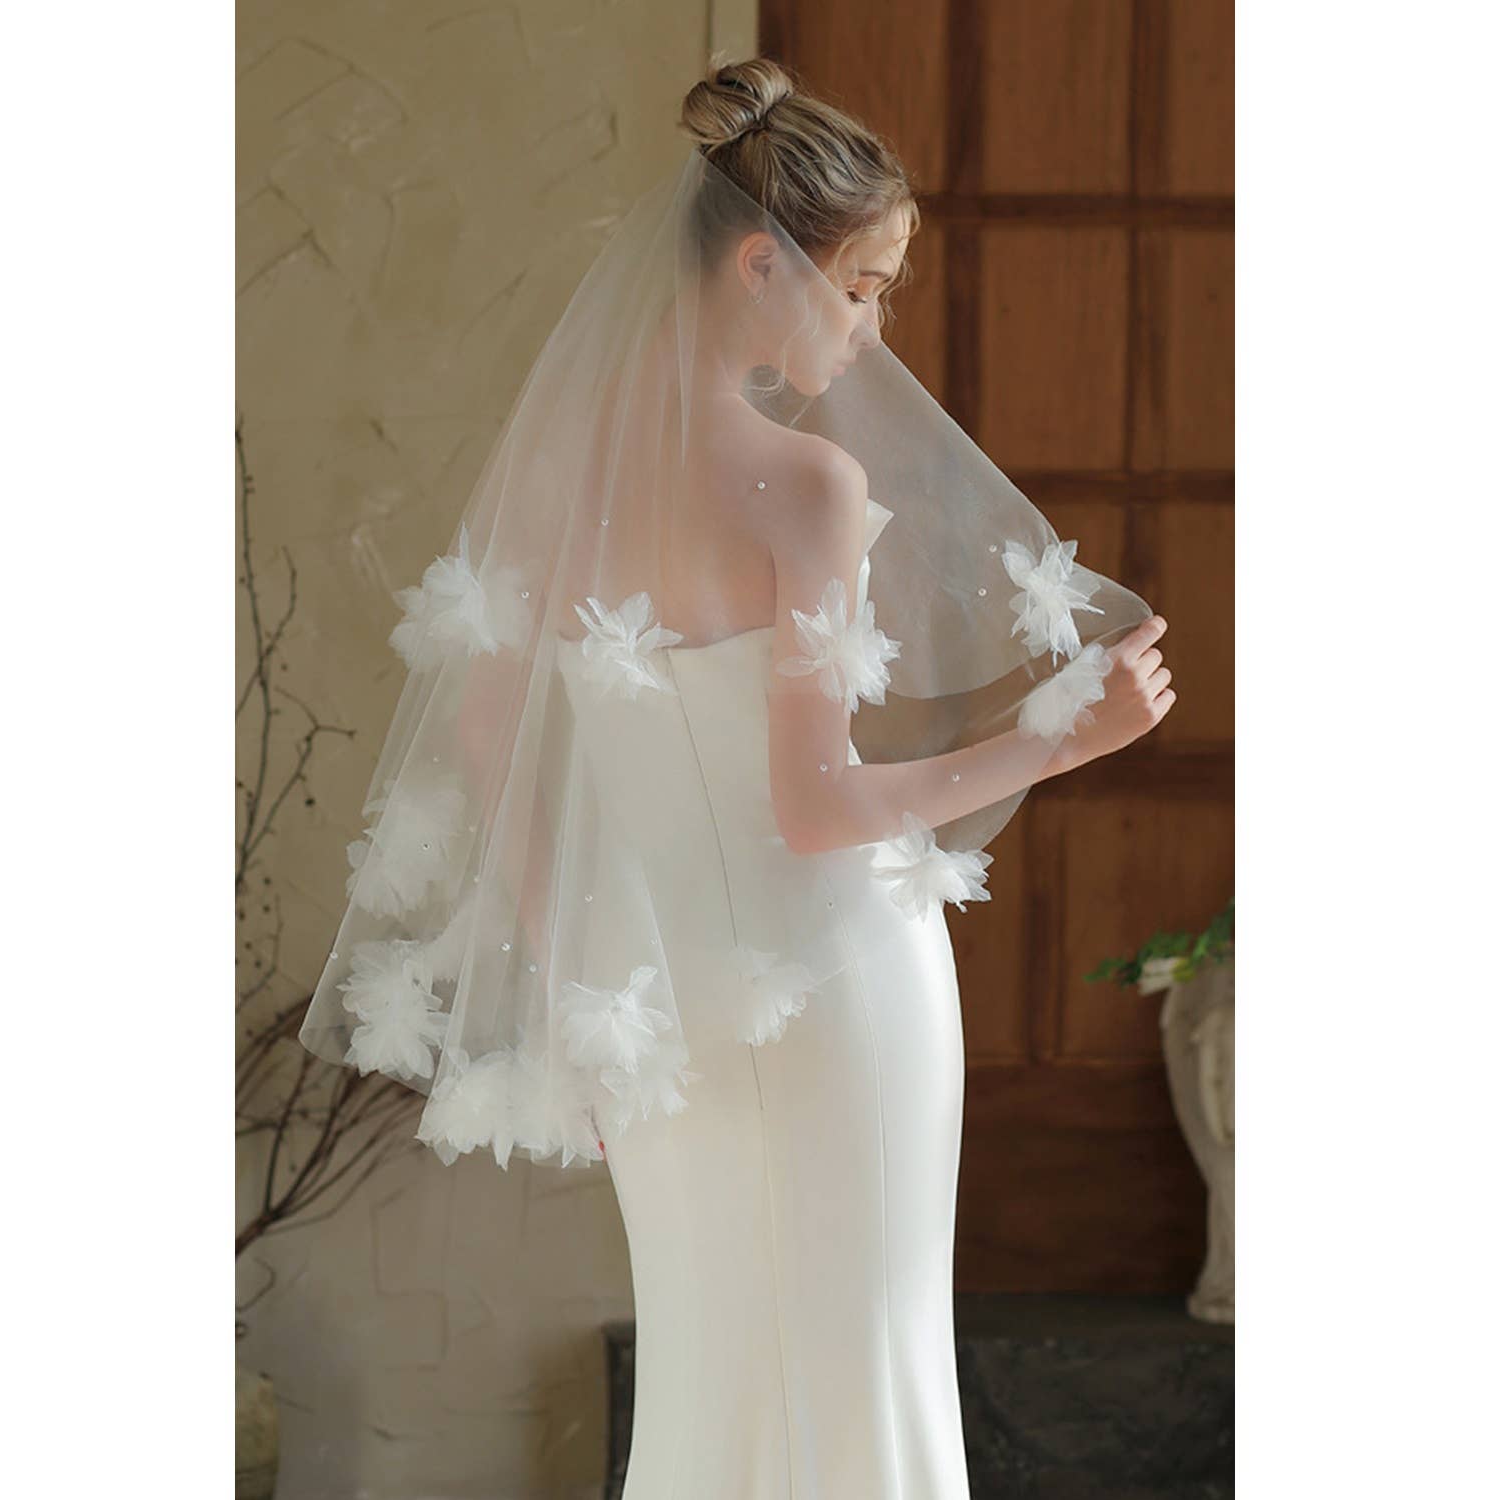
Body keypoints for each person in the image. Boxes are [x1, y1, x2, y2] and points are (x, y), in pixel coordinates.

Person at [300, 56, 1173, 1498]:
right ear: (763, 264)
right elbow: (817, 807)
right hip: (842, 989)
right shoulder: (808, 486)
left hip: (660, 1009)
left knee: (707, 1386)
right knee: (867, 1366)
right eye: (863, 286)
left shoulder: (554, 475)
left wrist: (584, 1003)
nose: (873, 328)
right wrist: (1061, 738)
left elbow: (488, 739)